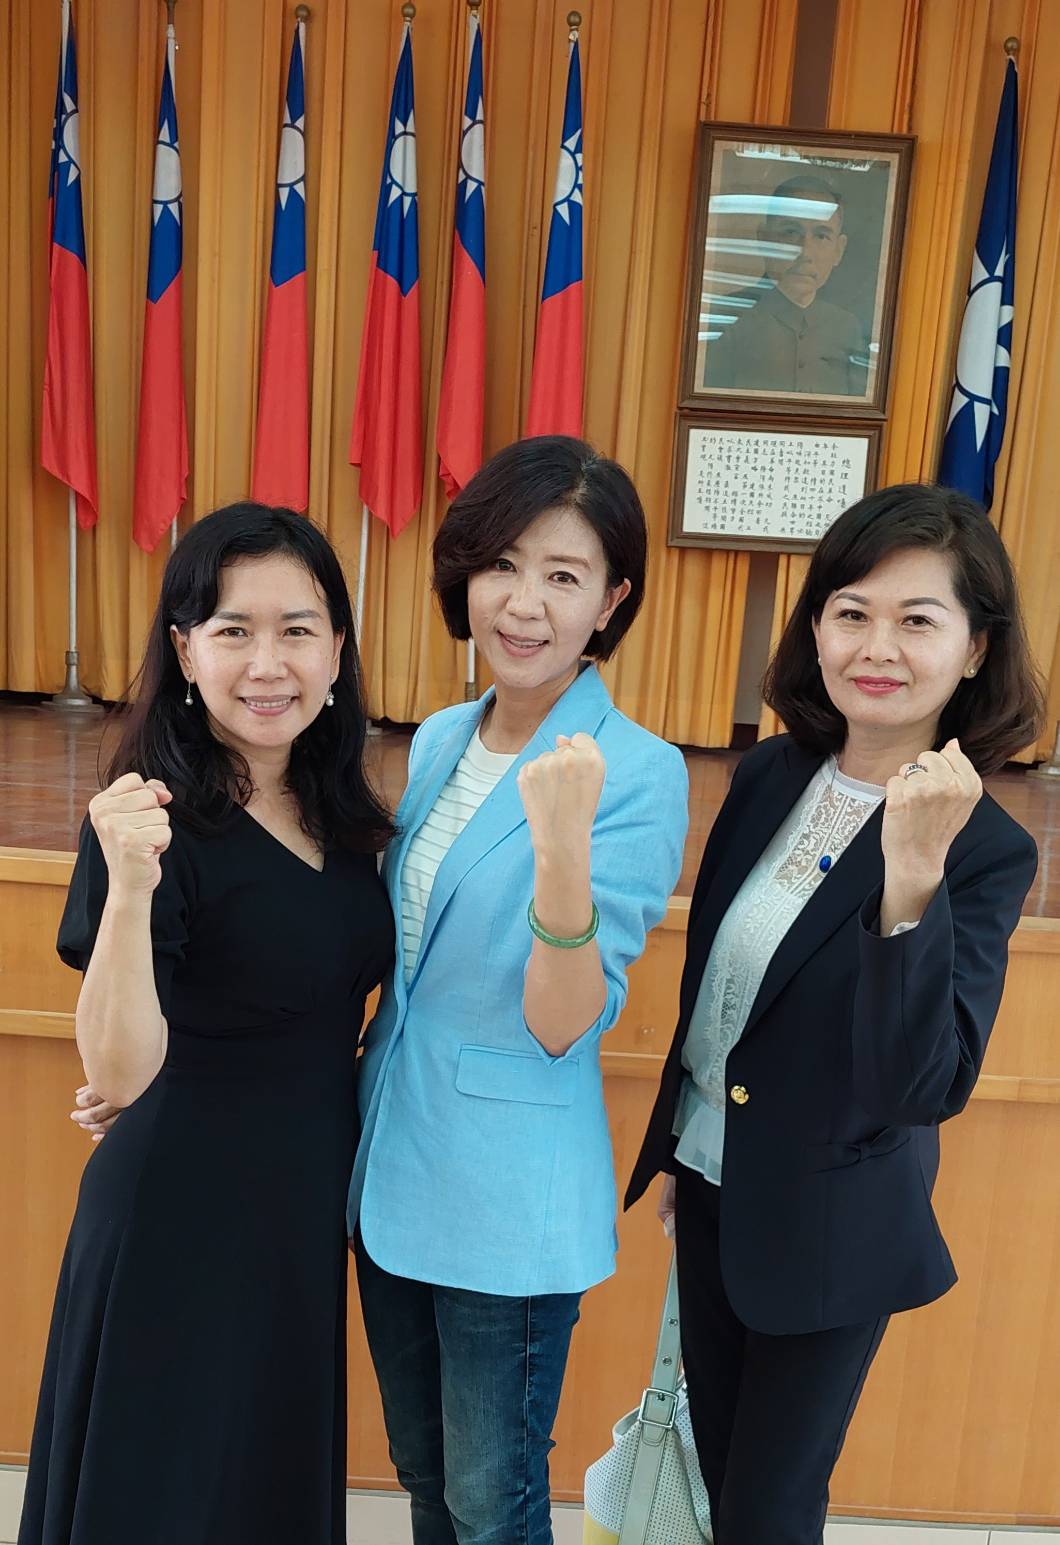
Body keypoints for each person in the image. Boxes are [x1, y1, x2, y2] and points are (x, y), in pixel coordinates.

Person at [627, 483, 1045, 1545]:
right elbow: (720, 995)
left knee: (767, 1511)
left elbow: (919, 1085)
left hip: (831, 1224)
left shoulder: (984, 848)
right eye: (851, 611)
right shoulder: (772, 773)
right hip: (713, 1188)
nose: (877, 646)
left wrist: (912, 877)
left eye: (918, 620)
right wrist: (685, 1143)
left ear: (974, 647)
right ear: (815, 627)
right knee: (717, 1481)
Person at [21, 505, 395, 1545]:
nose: (268, 663)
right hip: (178, 1208)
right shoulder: (145, 817)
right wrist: (131, 885)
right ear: (186, 652)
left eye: (297, 629)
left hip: (299, 1206)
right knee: (164, 1491)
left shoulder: (343, 815)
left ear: (336, 651)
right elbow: (120, 1072)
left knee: (259, 1484)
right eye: (234, 630)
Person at [350, 435, 689, 1545]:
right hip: (391, 1168)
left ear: (611, 600)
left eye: (563, 574)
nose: (523, 602)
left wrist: (560, 849)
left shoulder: (638, 770)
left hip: (510, 1206)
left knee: (493, 1505)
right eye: (501, 564)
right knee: (425, 1476)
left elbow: (563, 1022)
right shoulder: (445, 736)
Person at [703, 175, 868, 396]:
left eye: (821, 236)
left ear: (838, 250)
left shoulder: (848, 328)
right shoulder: (724, 319)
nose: (805, 252)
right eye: (790, 232)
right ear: (764, 239)